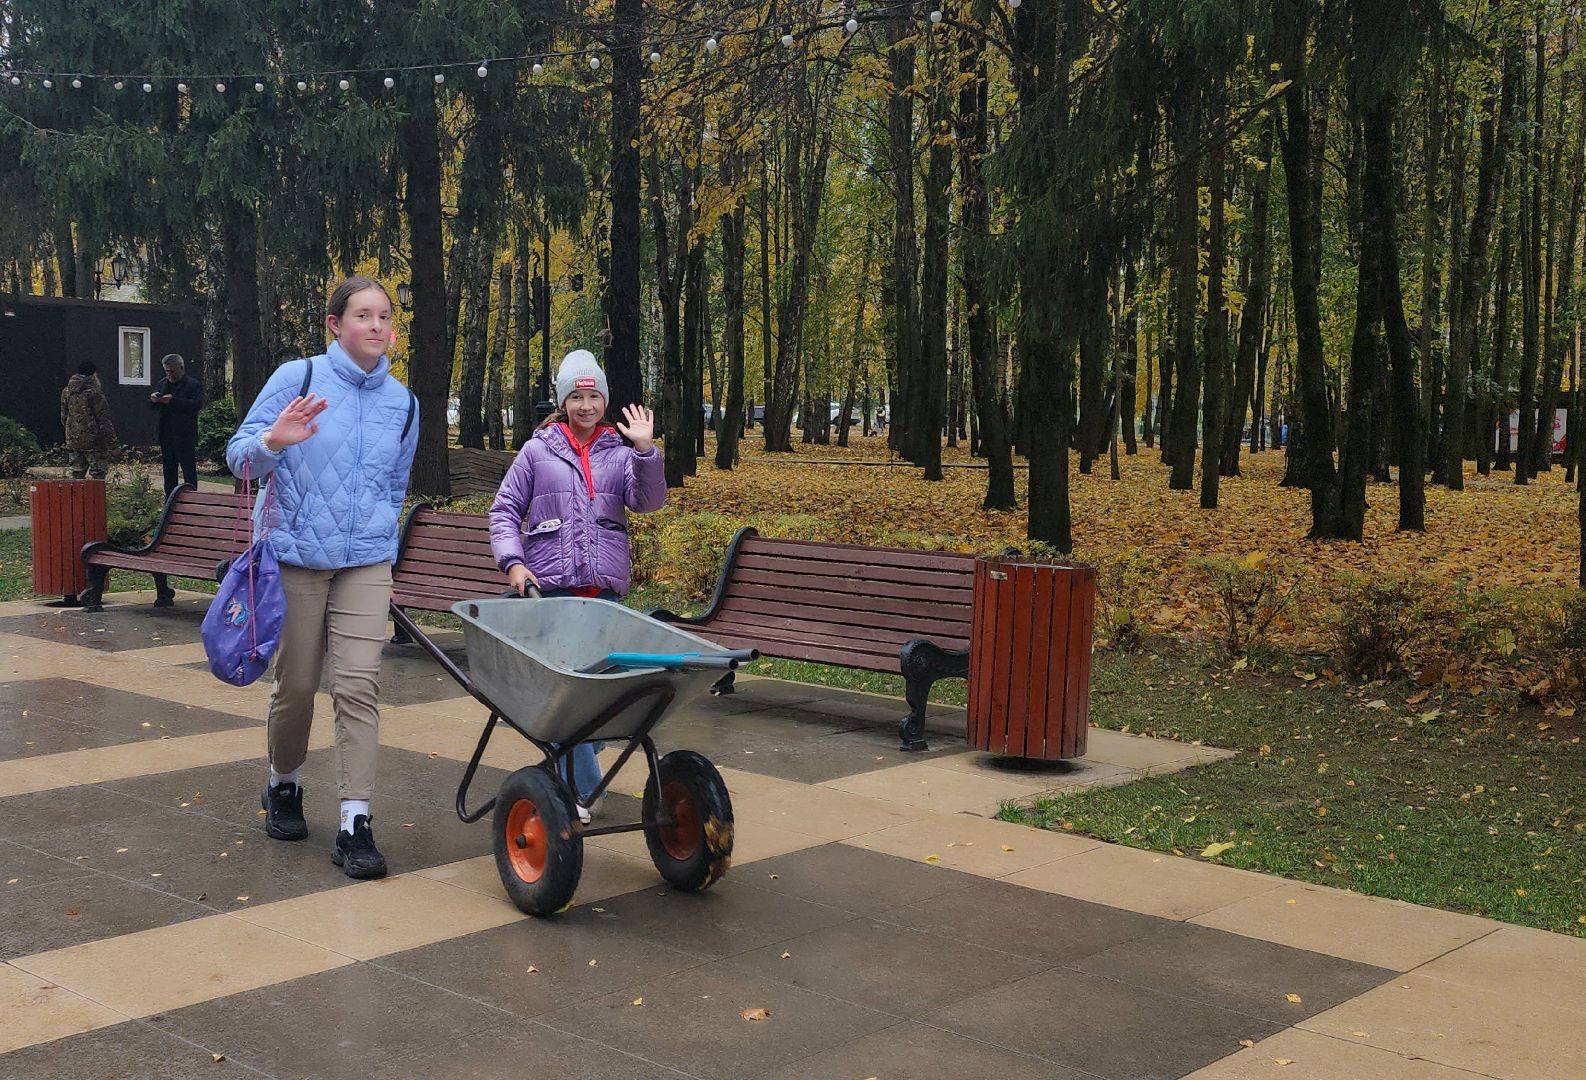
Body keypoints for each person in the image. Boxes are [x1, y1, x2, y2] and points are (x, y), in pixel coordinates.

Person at [226, 276, 418, 880]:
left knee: (359, 685)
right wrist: (272, 442)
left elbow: (395, 482)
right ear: (334, 324)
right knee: (299, 684)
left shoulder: (403, 403)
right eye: (363, 314)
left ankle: (355, 820)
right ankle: (283, 783)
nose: (377, 325)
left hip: (365, 560)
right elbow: (238, 456)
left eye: (385, 316)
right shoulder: (297, 378)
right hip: (295, 557)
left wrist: (383, 526)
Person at [489, 349, 662, 822]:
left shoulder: (620, 451)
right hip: (553, 593)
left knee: (597, 698)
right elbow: (504, 511)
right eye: (576, 396)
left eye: (593, 396)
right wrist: (513, 563)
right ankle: (584, 792)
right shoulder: (537, 450)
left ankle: (577, 761)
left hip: (602, 595)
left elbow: (647, 502)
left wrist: (646, 451)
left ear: (603, 399)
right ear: (563, 400)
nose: (585, 405)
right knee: (569, 695)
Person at [150, 353, 202, 495]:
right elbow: (154, 408)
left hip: (185, 436)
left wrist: (173, 401)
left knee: (189, 472)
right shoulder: (162, 383)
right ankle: (169, 502)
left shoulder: (192, 385)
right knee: (169, 473)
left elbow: (195, 405)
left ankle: (192, 500)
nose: (169, 374)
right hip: (166, 435)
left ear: (181, 367)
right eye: (167, 371)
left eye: (172, 371)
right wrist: (154, 400)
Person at [60, 361, 117, 479]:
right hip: (95, 442)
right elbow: (103, 420)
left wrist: (70, 432)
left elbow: (64, 416)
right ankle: (94, 498)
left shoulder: (67, 391)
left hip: (73, 440)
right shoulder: (94, 393)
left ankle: (76, 498)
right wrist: (113, 444)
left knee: (76, 477)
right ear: (93, 374)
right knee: (97, 477)